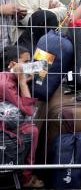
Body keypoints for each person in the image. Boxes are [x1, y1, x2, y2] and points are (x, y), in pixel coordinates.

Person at [0, 45, 44, 188]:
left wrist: (24, 79)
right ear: (12, 64)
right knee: (33, 131)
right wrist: (23, 83)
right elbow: (28, 110)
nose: (28, 65)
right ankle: (27, 177)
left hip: (9, 121)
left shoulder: (7, 77)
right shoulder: (6, 84)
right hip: (5, 127)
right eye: (25, 62)